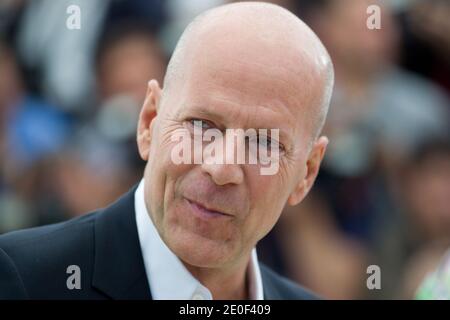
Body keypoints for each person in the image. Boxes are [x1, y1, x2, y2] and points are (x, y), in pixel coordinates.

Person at [0, 2, 334, 300]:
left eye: (263, 143)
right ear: (149, 121)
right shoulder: (23, 280)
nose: (221, 167)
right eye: (201, 125)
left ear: (306, 173)